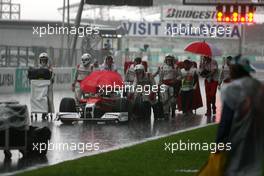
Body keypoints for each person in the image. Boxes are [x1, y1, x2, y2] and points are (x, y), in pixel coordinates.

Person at [216, 56, 264, 176]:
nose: (230, 70)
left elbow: (226, 119)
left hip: (236, 135)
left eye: (231, 68)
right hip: (256, 136)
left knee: (233, 168)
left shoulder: (232, 88)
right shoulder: (259, 86)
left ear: (237, 69)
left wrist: (219, 142)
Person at [38, 52, 55, 120]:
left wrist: (51, 79)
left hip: (48, 86)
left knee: (49, 99)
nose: (43, 61)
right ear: (40, 60)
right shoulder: (38, 68)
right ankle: (42, 111)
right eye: (42, 60)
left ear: (47, 60)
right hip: (40, 86)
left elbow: (52, 78)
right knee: (41, 98)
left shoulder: (50, 68)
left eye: (44, 60)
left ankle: (47, 111)